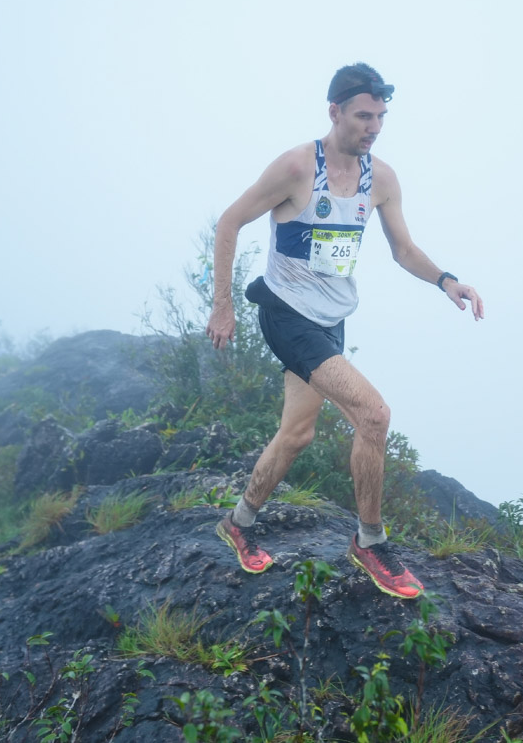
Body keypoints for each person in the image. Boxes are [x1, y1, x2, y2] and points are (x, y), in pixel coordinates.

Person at [205, 63, 484, 599]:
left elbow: (402, 249)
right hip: (285, 313)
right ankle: (370, 542)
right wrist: (222, 306)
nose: (373, 126)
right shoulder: (294, 168)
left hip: (332, 319)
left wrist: (446, 280)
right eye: (363, 116)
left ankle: (238, 522)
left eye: (380, 117)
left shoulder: (380, 179)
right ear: (334, 112)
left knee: (297, 434)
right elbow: (229, 223)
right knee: (373, 415)